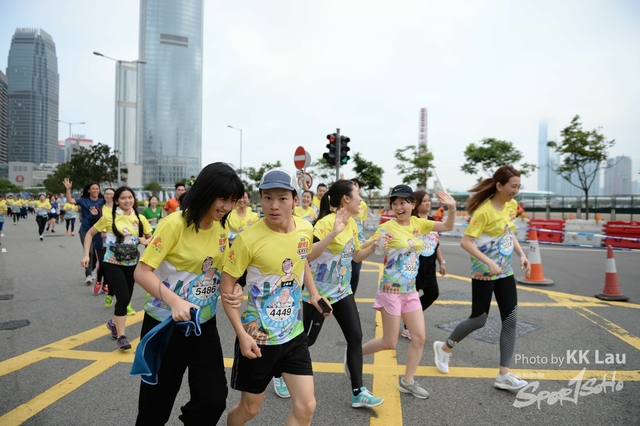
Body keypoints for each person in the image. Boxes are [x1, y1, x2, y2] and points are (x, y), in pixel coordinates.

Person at [133, 162, 245, 425]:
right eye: (223, 199)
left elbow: (221, 269)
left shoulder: (220, 226)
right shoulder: (174, 224)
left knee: (213, 398)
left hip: (203, 325)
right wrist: (174, 301)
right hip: (165, 326)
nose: (227, 207)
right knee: (155, 410)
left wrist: (235, 287)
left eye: (232, 201)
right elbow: (142, 272)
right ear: (206, 191)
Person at [220, 168, 330, 426]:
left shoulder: (305, 228)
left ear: (295, 199)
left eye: (282, 198)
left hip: (294, 335)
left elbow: (302, 261)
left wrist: (314, 294)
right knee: (250, 409)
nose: (274, 205)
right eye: (267, 198)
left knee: (306, 406)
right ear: (260, 198)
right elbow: (227, 286)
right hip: (258, 339)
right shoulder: (247, 240)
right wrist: (242, 335)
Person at [433, 165, 532, 391]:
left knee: (511, 319)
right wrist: (488, 262)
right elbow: (465, 242)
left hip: (505, 270)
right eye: (513, 186)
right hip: (483, 271)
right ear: (499, 186)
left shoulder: (512, 206)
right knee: (479, 319)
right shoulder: (484, 212)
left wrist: (522, 254)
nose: (516, 191)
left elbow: (508, 232)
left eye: (518, 186)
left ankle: (503, 375)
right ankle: (445, 347)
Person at [362, 184, 457, 399]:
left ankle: (407, 381)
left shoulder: (419, 224)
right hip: (390, 290)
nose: (398, 207)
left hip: (410, 291)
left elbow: (448, 226)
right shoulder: (386, 227)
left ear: (412, 204)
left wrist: (452, 208)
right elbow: (358, 255)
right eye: (394, 203)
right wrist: (375, 244)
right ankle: (354, 355)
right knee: (389, 342)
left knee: (419, 338)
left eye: (403, 202)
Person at [304, 179, 383, 408]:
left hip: (342, 291)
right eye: (357, 194)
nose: (361, 199)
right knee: (307, 340)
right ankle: (279, 373)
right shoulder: (324, 223)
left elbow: (355, 256)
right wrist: (332, 234)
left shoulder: (353, 223)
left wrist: (374, 246)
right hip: (318, 295)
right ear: (346, 199)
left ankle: (358, 391)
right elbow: (308, 256)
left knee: (355, 337)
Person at [81, 186, 152, 351]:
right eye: (123, 198)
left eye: (130, 197)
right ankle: (121, 336)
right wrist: (86, 255)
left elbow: (152, 238)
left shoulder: (140, 218)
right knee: (123, 298)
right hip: (112, 263)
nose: (127, 201)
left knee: (125, 300)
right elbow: (90, 234)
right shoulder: (109, 217)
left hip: (132, 264)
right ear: (117, 201)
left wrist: (146, 240)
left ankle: (113, 323)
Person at [401, 190, 446, 341]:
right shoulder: (412, 221)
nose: (428, 203)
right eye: (424, 201)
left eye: (429, 200)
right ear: (416, 204)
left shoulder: (432, 221)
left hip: (430, 266)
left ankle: (408, 317)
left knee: (432, 293)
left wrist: (442, 261)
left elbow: (436, 244)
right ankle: (408, 325)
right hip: (414, 266)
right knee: (411, 297)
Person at [64, 178, 104, 285]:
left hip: (99, 230)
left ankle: (93, 269)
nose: (95, 190)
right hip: (85, 230)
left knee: (96, 252)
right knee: (89, 251)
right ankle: (88, 274)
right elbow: (70, 200)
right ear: (88, 190)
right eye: (93, 189)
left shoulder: (102, 201)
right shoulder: (83, 200)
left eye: (97, 188)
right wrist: (68, 189)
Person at [349, 178, 368, 294]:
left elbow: (363, 223)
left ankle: (351, 296)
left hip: (358, 243)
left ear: (359, 188)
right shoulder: (346, 202)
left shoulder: (363, 205)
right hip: (347, 241)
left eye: (355, 185)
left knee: (355, 273)